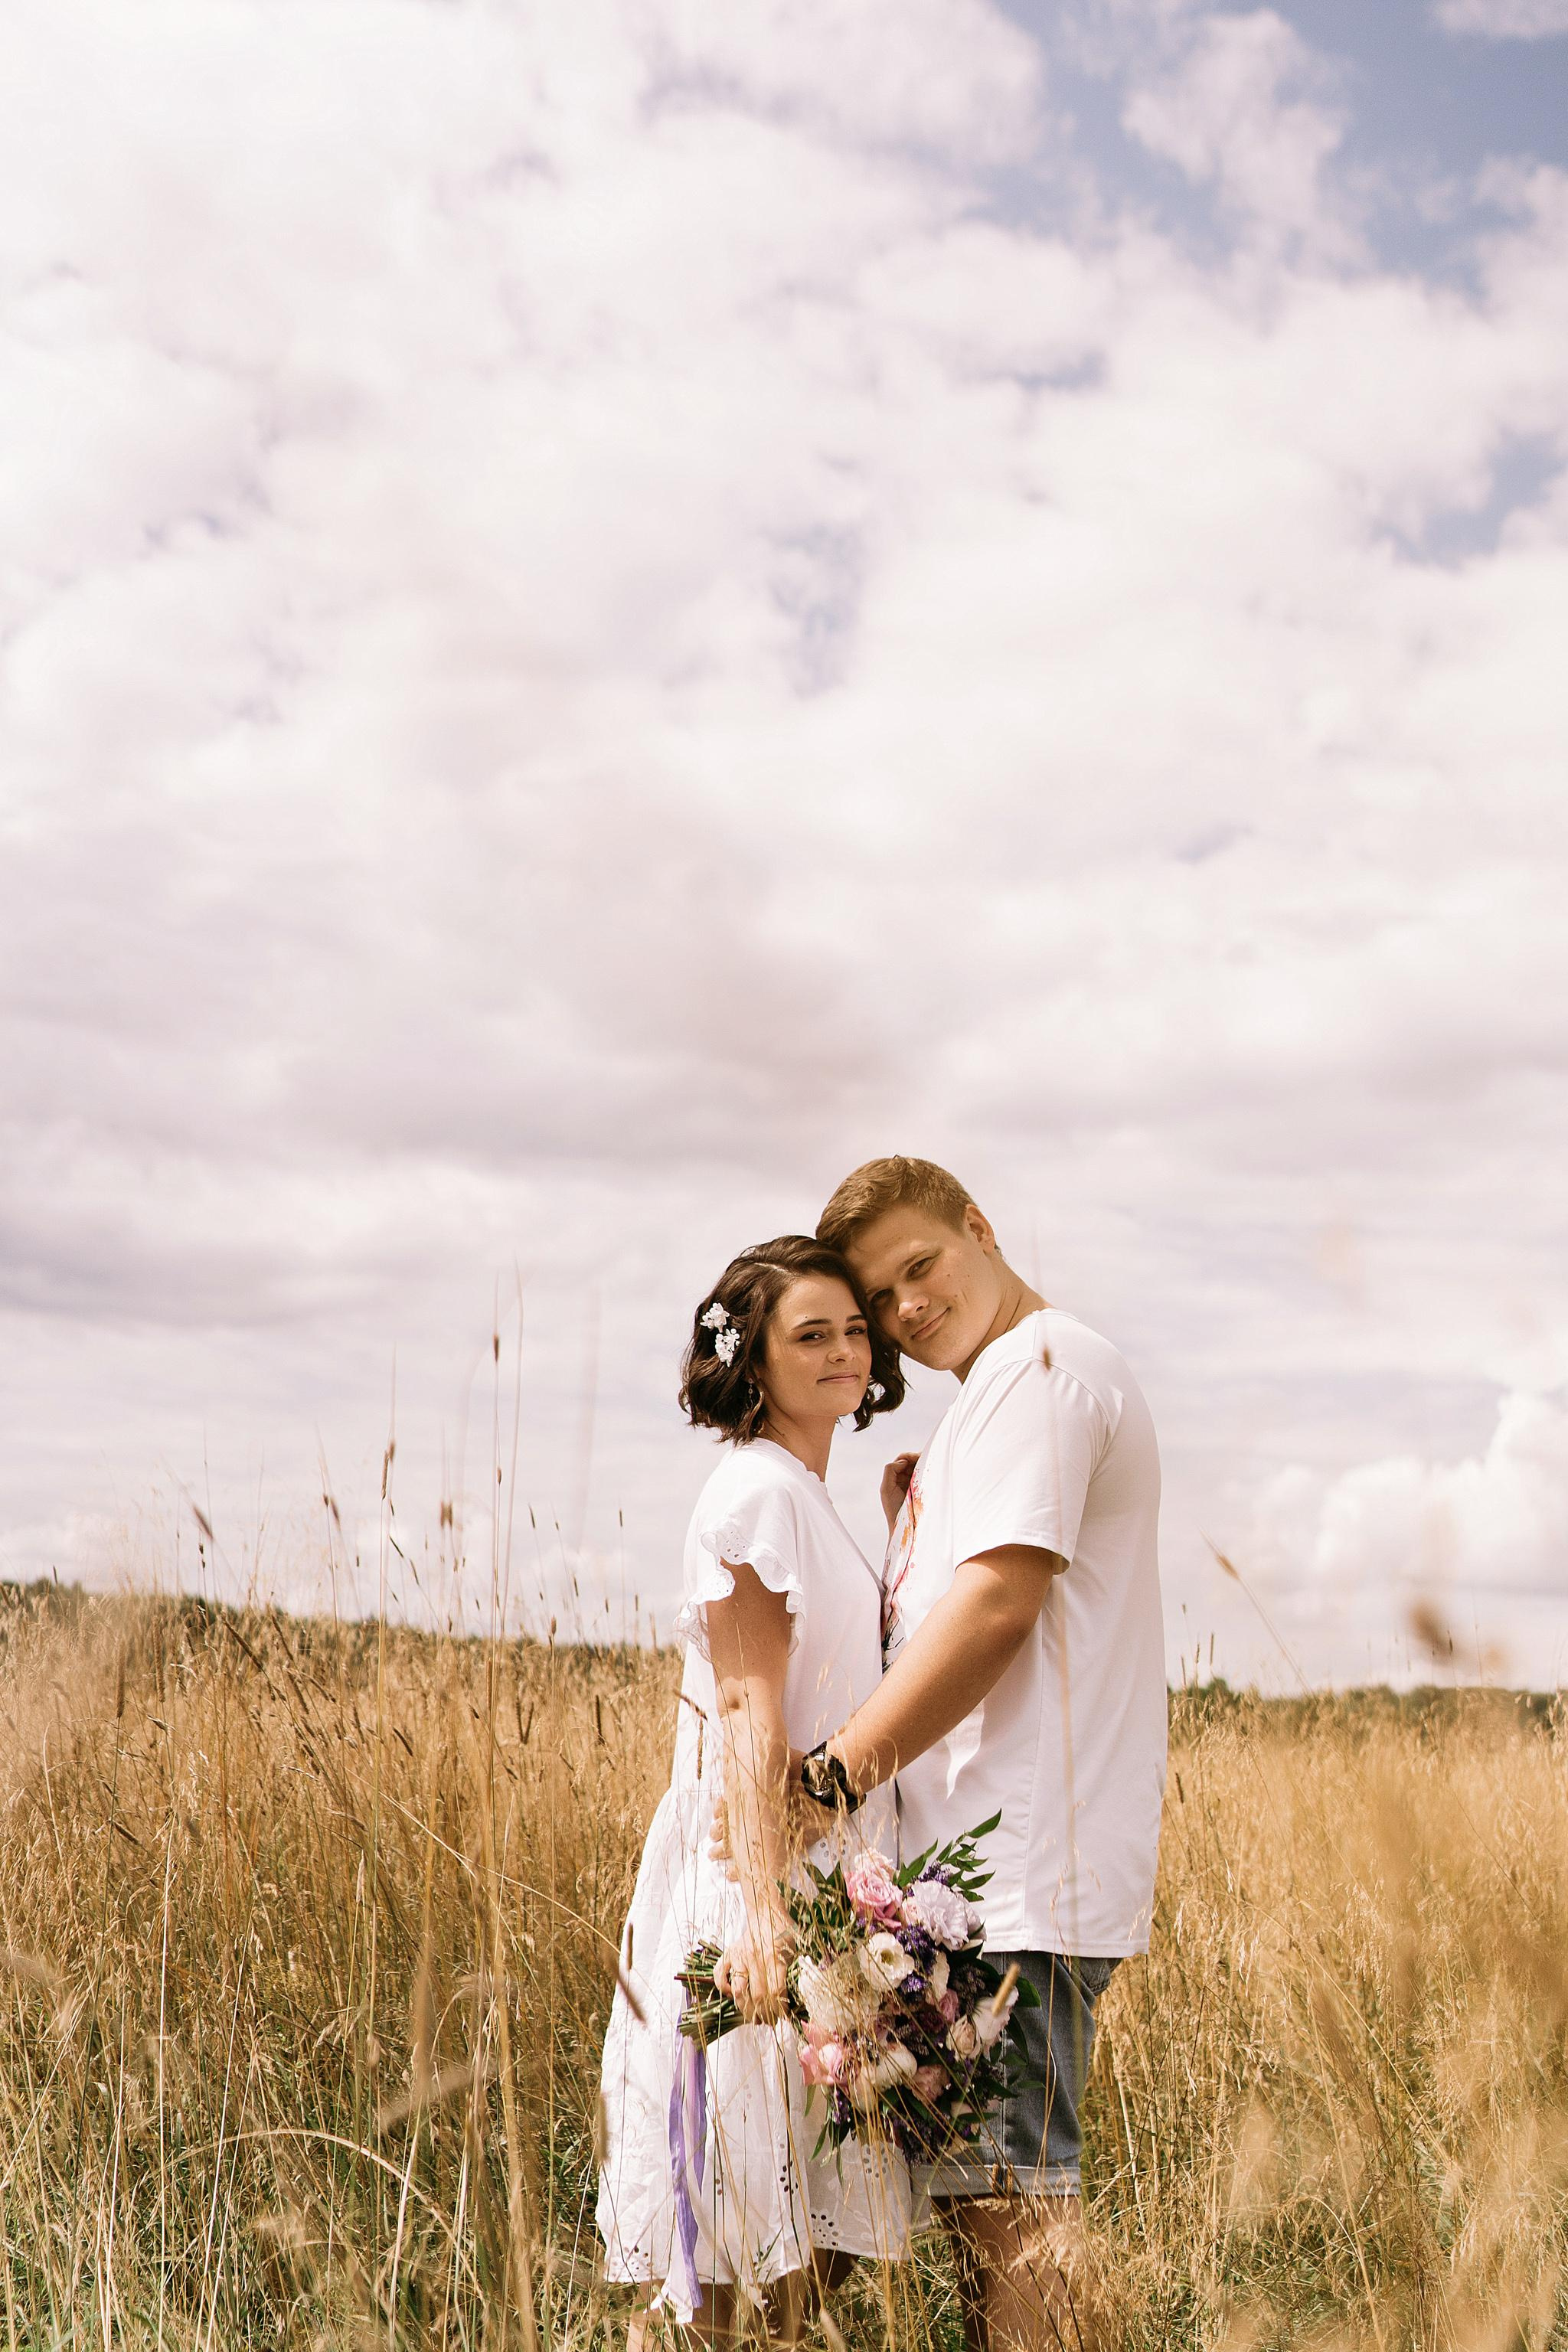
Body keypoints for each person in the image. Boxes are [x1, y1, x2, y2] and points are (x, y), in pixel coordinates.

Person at [808, 1156, 1167, 2352]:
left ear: (980, 1227)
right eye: (882, 1297)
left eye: (923, 1265)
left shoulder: (1041, 1370)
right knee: (1001, 2214)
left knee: (1014, 2219)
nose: (908, 1308)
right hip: (984, 1884)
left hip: (1021, 1879)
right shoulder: (995, 1402)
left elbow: (1002, 1609)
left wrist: (833, 1777)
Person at [596, 1235, 914, 2348]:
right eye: (809, 1335)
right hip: (751, 1877)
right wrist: (765, 1919)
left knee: (806, 2267)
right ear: (754, 1361)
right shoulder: (753, 1496)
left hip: (825, 1885)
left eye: (854, 1331)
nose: (842, 1352)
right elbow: (744, 1708)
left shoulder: (810, 1498)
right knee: (724, 2256)